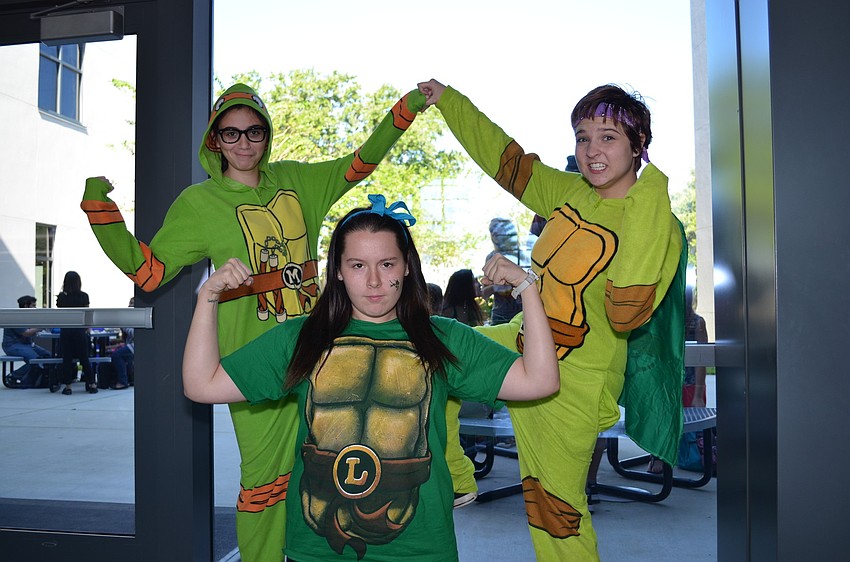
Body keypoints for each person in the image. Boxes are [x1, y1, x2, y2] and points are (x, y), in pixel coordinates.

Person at [81, 83, 427, 561]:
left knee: (334, 470)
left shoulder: (297, 182)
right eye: (231, 133)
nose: (244, 143)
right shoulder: (198, 203)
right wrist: (100, 206)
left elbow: (359, 163)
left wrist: (406, 109)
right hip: (255, 361)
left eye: (255, 131)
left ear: (267, 135)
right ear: (214, 140)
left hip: (324, 353)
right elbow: (149, 270)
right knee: (265, 480)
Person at [182, 195, 560, 562]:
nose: (375, 281)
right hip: (316, 550)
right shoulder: (302, 338)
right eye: (358, 265)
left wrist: (528, 289)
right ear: (340, 272)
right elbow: (202, 385)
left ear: (407, 267)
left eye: (388, 264)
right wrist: (208, 297)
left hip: (419, 549)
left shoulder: (442, 338)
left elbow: (540, 380)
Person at [418, 79, 684, 560]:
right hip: (521, 343)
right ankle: (457, 476)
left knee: (555, 514)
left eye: (608, 137)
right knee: (433, 344)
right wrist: (449, 102)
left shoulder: (654, 222)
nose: (591, 150)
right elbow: (507, 161)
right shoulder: (570, 192)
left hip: (571, 382)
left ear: (637, 145)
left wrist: (652, 194)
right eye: (582, 137)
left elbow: (626, 312)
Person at [437, 269, 486, 508]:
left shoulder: (469, 309)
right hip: (457, 376)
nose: (478, 285)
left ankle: (468, 462)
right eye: (474, 282)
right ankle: (461, 473)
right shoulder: (450, 314)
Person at [56, 271, 97, 395]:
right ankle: (92, 383)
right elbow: (87, 313)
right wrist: (88, 328)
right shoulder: (84, 296)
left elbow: (60, 312)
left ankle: (68, 386)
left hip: (66, 330)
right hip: (79, 330)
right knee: (84, 358)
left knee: (67, 359)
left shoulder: (62, 296)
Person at [479, 218, 527, 325]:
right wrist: (495, 287)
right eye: (492, 231)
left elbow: (530, 284)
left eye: (498, 231)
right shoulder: (492, 257)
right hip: (500, 313)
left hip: (522, 311)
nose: (495, 234)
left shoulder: (523, 255)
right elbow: (484, 291)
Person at [1, 295, 51, 388]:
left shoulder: (28, 317)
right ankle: (14, 376)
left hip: (27, 344)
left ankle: (41, 378)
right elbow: (26, 333)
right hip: (12, 345)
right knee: (35, 361)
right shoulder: (16, 318)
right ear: (25, 306)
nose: (35, 307)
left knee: (48, 356)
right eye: (33, 305)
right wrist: (40, 327)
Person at [108, 297, 135, 390]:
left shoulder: (138, 318)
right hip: (132, 345)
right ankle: (130, 379)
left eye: (132, 303)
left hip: (135, 347)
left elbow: (135, 334)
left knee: (116, 355)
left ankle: (123, 381)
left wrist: (124, 326)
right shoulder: (131, 318)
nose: (129, 305)